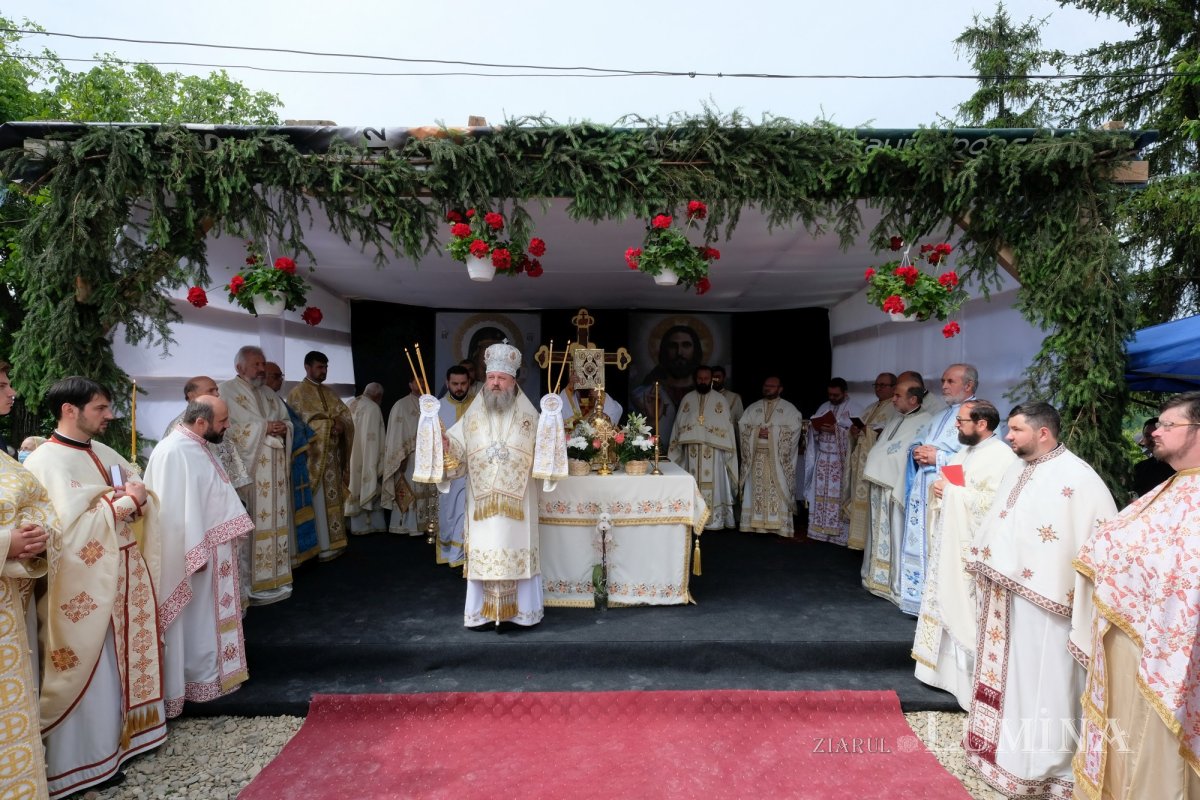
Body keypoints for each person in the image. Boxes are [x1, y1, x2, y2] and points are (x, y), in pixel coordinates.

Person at [963, 402, 1116, 798]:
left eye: (1015, 430)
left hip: (1048, 605)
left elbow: (1097, 544)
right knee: (1010, 681)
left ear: (1042, 432)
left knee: (1041, 682)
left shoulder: (1079, 479)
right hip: (1005, 599)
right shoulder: (1016, 467)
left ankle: (1039, 770)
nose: (1007, 436)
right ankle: (999, 753)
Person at [25, 377, 167, 798]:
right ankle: (81, 761)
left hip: (123, 570)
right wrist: (124, 502)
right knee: (93, 663)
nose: (110, 416)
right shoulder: (45, 462)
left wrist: (137, 498)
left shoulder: (102, 451)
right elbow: (60, 533)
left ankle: (127, 740)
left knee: (119, 658)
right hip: (82, 584)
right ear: (71, 410)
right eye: (101, 409)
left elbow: (137, 492)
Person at [1073, 392, 1200, 799]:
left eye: (1167, 425)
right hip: (1135, 635)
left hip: (1173, 649)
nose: (1154, 432)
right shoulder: (1173, 485)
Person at [145, 396, 252, 718]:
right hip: (196, 555)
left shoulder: (196, 445)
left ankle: (216, 676)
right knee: (196, 620)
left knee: (208, 618)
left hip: (211, 549)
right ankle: (198, 680)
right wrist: (193, 552)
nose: (227, 426)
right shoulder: (173, 451)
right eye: (223, 421)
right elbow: (173, 514)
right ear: (201, 422)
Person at [911, 400, 1016, 710]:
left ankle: (963, 680)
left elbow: (997, 505)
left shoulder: (1001, 457)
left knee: (963, 605)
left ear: (981, 424)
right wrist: (946, 491)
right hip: (951, 542)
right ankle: (936, 670)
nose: (956, 425)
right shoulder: (965, 452)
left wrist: (953, 493)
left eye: (961, 420)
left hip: (969, 550)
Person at [440, 343, 545, 628]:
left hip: (518, 505)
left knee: (517, 552)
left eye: (501, 378)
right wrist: (448, 445)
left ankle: (522, 614)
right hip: (482, 504)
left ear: (513, 380)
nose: (495, 383)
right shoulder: (473, 412)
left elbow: (544, 451)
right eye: (491, 377)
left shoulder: (530, 415)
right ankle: (482, 614)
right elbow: (458, 447)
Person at [0, 360, 51, 799]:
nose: (12, 390)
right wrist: (7, 544)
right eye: (2, 384)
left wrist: (36, 536)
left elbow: (34, 500)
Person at [898, 363, 977, 615]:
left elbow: (977, 457)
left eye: (950, 381)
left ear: (968, 385)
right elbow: (922, 440)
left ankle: (938, 604)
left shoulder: (979, 414)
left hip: (946, 491)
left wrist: (939, 457)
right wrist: (918, 451)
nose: (943, 386)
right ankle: (918, 599)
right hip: (924, 488)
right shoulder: (941, 414)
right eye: (943, 380)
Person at [219, 346, 294, 605]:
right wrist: (263, 428)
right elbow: (226, 432)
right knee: (255, 524)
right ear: (240, 367)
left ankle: (278, 578)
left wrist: (285, 427)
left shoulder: (269, 393)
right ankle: (252, 584)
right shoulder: (226, 391)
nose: (262, 369)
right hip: (251, 472)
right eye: (256, 365)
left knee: (277, 523)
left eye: (263, 364)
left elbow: (288, 420)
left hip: (275, 472)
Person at [861, 378, 931, 603]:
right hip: (881, 484)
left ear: (913, 399)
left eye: (898, 395)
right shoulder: (896, 417)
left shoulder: (926, 421)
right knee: (878, 532)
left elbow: (908, 453)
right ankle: (876, 578)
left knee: (895, 532)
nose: (893, 399)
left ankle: (896, 584)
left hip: (896, 487)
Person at [287, 350, 353, 560]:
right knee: (319, 501)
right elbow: (299, 425)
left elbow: (345, 415)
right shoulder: (297, 393)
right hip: (314, 459)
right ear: (307, 367)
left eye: (325, 367)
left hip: (333, 456)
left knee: (333, 499)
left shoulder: (330, 392)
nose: (323, 371)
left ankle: (336, 541)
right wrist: (328, 425)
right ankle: (323, 546)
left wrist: (342, 425)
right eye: (319, 367)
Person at [668, 365, 737, 529]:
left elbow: (727, 429)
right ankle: (692, 518)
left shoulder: (720, 401)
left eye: (706, 379)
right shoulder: (687, 399)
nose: (703, 382)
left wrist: (709, 435)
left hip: (714, 453)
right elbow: (679, 426)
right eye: (700, 379)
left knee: (715, 484)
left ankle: (715, 521)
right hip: (691, 452)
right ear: (695, 379)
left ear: (711, 379)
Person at [264, 362, 319, 566]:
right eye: (276, 376)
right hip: (273, 465)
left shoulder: (276, 399)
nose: (281, 380)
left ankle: (296, 555)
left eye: (281, 375)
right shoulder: (259, 399)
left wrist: (287, 430)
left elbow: (294, 423)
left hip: (287, 459)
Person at [162, 375, 251, 494]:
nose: (217, 394)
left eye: (217, 390)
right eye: (211, 390)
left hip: (224, 489)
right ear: (191, 396)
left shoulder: (215, 417)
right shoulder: (181, 425)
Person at [737, 376, 803, 536]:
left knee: (777, 488)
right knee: (756, 490)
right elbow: (742, 426)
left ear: (780, 389)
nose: (768, 388)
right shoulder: (753, 408)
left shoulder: (789, 409)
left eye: (772, 386)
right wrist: (757, 432)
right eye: (766, 385)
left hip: (777, 460)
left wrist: (773, 433)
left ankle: (780, 527)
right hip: (756, 457)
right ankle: (755, 524)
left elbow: (795, 428)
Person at [804, 378, 864, 544]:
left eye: (836, 395)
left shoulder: (856, 408)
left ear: (845, 393)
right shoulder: (824, 407)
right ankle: (819, 531)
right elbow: (813, 430)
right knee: (819, 493)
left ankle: (838, 536)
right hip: (823, 459)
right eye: (830, 394)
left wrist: (836, 430)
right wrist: (815, 428)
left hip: (841, 461)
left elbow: (858, 435)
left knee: (839, 496)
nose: (833, 397)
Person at [844, 372, 899, 550]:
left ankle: (871, 544)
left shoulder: (895, 409)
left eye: (883, 385)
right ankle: (857, 540)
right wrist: (853, 431)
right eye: (876, 385)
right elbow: (862, 431)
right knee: (859, 498)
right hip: (860, 460)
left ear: (894, 387)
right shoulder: (869, 407)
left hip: (876, 465)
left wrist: (869, 432)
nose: (879, 388)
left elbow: (890, 436)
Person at [382, 374, 439, 536]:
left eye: (423, 381)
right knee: (410, 488)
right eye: (417, 381)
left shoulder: (432, 404)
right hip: (411, 456)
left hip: (430, 455)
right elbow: (397, 434)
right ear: (410, 384)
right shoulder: (401, 405)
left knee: (429, 489)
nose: (420, 384)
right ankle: (409, 526)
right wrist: (401, 456)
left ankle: (428, 524)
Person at [632, 324, 704, 446]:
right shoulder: (642, 395)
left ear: (696, 350)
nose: (679, 352)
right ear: (664, 351)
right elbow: (633, 438)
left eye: (686, 345)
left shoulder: (705, 396)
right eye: (673, 346)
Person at [436, 366, 472, 567]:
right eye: (455, 384)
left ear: (469, 382)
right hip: (449, 473)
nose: (459, 388)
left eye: (463, 384)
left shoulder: (478, 406)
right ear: (447, 383)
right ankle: (451, 553)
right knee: (449, 513)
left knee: (468, 512)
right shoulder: (438, 408)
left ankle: (464, 556)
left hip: (474, 471)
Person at [346, 382, 387, 535]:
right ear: (378, 396)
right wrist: (378, 460)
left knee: (353, 485)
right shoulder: (374, 408)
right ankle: (368, 525)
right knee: (366, 483)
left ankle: (352, 524)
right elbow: (376, 440)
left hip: (350, 456)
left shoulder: (350, 402)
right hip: (367, 457)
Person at [1130, 417, 1174, 497]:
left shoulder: (1179, 466)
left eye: (1156, 435)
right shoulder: (1139, 468)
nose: (1152, 439)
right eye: (1147, 436)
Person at [710, 365, 744, 433]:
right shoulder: (704, 397)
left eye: (718, 377)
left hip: (728, 437)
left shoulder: (735, 397)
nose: (715, 380)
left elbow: (740, 423)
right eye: (713, 377)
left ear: (724, 378)